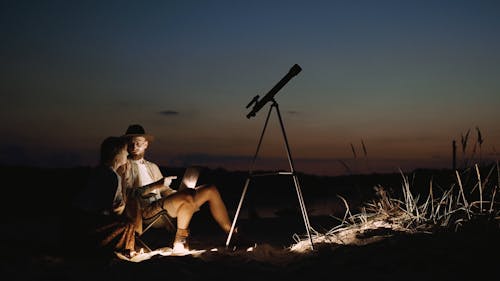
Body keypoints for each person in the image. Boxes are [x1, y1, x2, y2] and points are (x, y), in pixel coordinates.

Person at [120, 124, 235, 253]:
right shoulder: (124, 167)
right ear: (126, 145)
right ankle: (179, 241)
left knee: (210, 189)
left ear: (146, 144)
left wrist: (177, 193)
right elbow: (129, 195)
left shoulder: (152, 167)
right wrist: (156, 185)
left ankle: (232, 234)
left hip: (162, 205)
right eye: (131, 143)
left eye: (138, 143)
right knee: (187, 197)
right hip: (145, 211)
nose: (134, 146)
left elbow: (164, 190)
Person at [73, 136, 141, 258]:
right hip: (88, 224)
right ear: (117, 155)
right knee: (128, 224)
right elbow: (107, 209)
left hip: (79, 219)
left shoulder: (100, 171)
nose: (127, 153)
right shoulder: (110, 176)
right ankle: (119, 250)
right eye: (125, 150)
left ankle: (122, 249)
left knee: (126, 222)